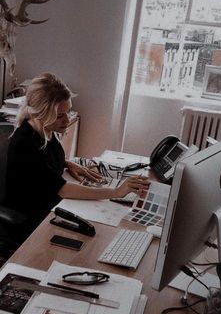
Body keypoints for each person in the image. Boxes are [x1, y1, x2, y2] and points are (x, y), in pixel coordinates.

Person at [4, 73, 150, 245]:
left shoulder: (46, 131)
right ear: (39, 114)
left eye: (68, 112)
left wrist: (66, 163)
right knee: (96, 240)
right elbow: (62, 189)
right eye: (60, 115)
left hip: (54, 204)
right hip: (33, 216)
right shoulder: (25, 142)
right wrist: (115, 192)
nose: (67, 120)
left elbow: (40, 167)